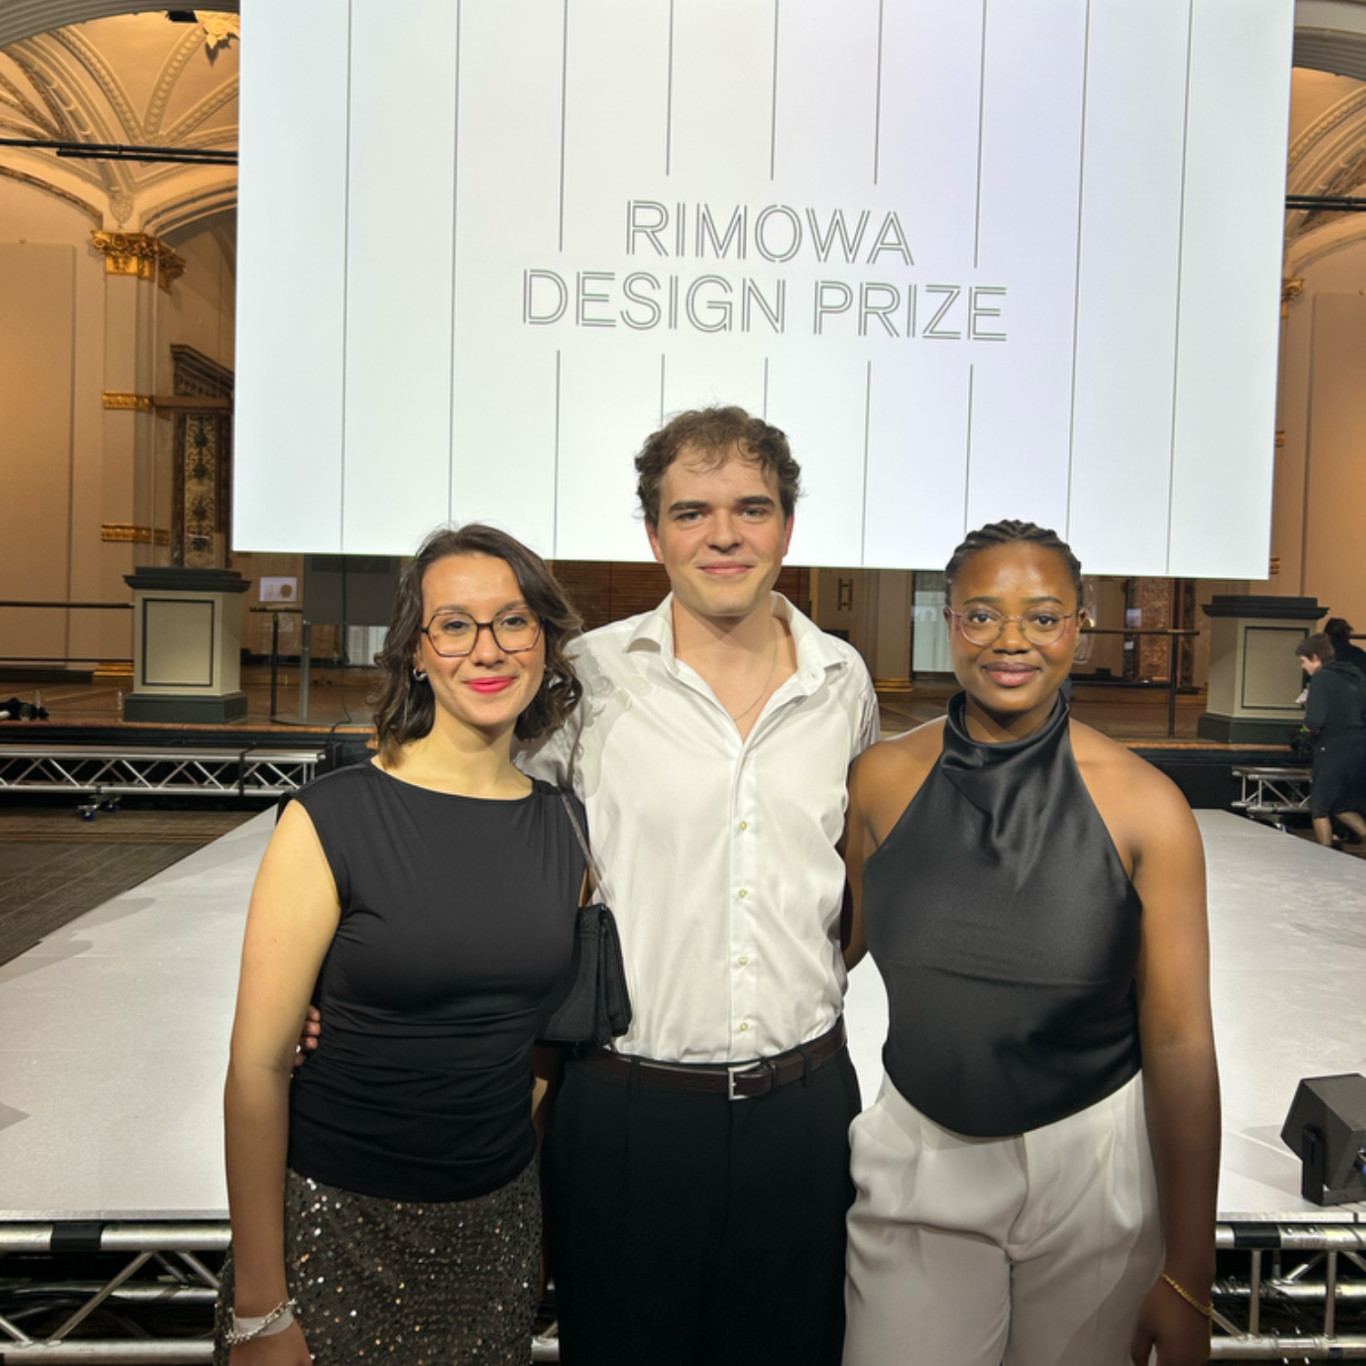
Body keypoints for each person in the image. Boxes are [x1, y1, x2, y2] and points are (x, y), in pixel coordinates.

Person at [518, 406, 880, 1366]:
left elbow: (849, 887)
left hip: (805, 1111)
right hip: (626, 1114)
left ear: (787, 527)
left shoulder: (843, 680)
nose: (724, 535)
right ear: (654, 535)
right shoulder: (585, 678)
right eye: (692, 512)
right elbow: (494, 846)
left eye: (751, 509)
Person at [841, 520, 1220, 1366]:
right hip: (918, 1152)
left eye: (1043, 617)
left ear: (1079, 627)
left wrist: (1190, 1272)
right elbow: (827, 953)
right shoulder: (882, 780)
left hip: (1095, 1169)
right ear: (950, 623)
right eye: (982, 615)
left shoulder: (1147, 805)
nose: (1011, 641)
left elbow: (1180, 1040)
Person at [218, 524, 588, 1365]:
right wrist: (259, 1305)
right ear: (416, 653)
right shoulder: (334, 816)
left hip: (494, 1233)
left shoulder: (568, 827)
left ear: (543, 642)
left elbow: (541, 1057)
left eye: (513, 621)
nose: (487, 649)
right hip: (336, 1226)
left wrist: (529, 1233)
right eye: (454, 625)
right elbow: (258, 1067)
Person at [1295, 632, 1366, 848]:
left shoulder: (1321, 679)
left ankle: (1324, 856)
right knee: (1342, 806)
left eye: (1304, 661)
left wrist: (1304, 726)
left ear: (1315, 657)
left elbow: (1315, 720)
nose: (1303, 667)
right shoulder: (1356, 676)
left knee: (1320, 807)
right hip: (1360, 747)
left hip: (1333, 749)